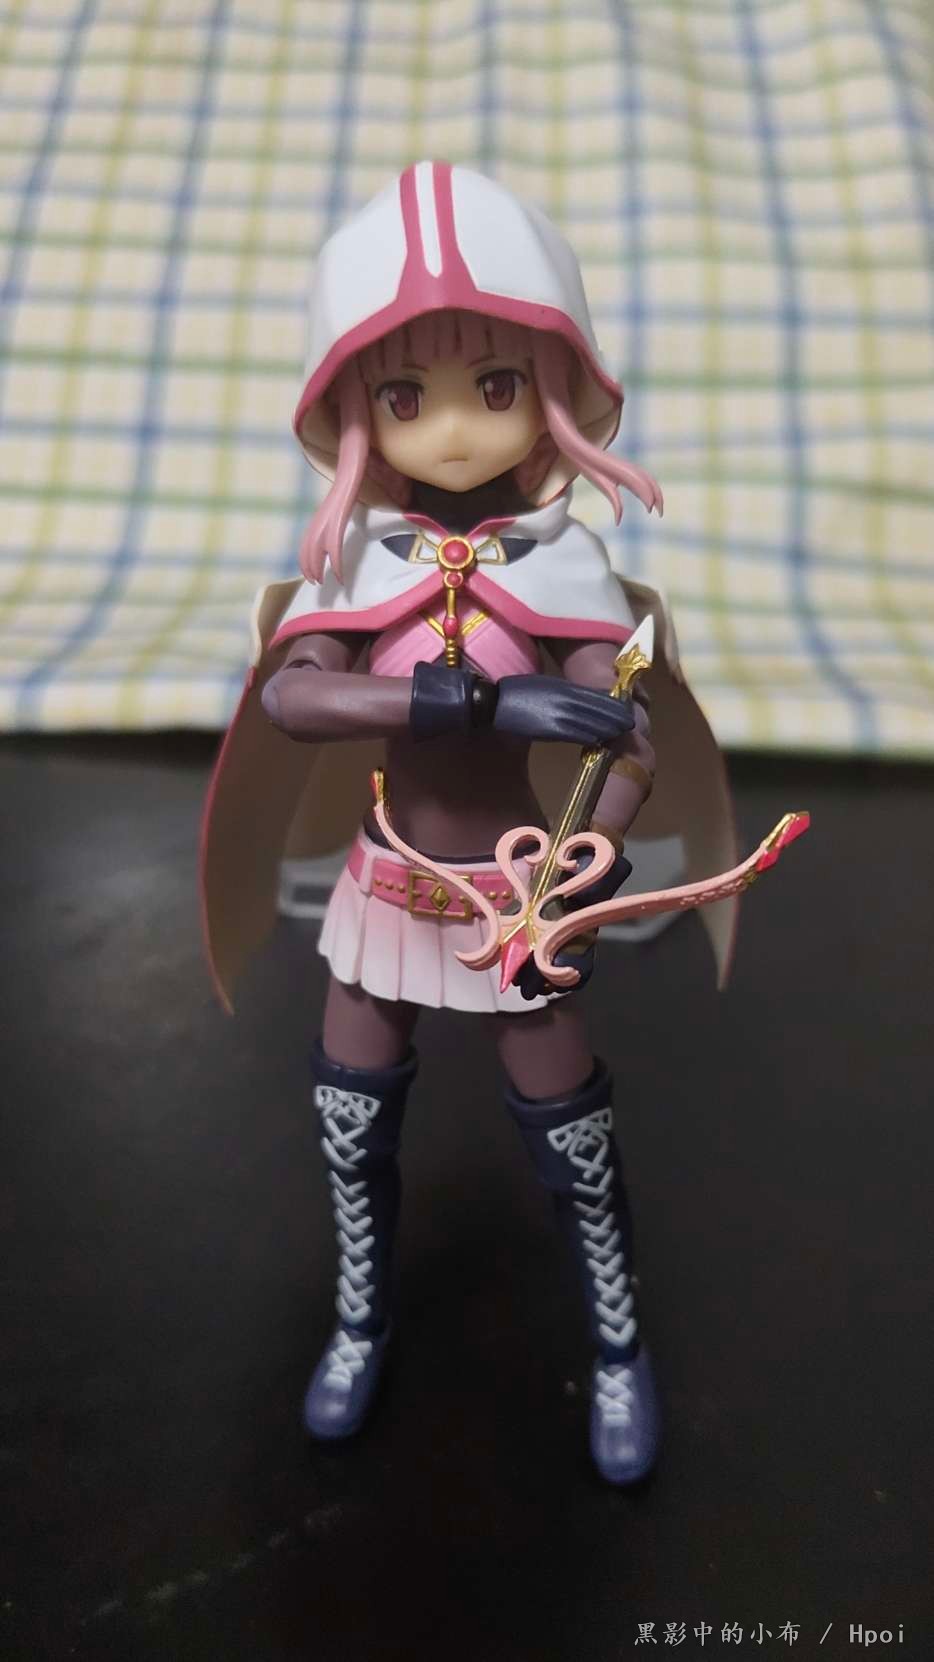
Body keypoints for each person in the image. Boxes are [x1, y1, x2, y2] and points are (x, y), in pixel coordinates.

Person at [201, 162, 737, 1484]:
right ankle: (359, 1318)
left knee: (571, 1132)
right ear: (354, 408)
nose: (449, 429)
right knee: (350, 1117)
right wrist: (455, 699)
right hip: (391, 881)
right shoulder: (358, 562)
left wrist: (594, 844)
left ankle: (617, 1344)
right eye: (406, 395)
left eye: (493, 387)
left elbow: (628, 733)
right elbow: (293, 693)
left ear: (549, 390)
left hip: (516, 893)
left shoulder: (564, 564)